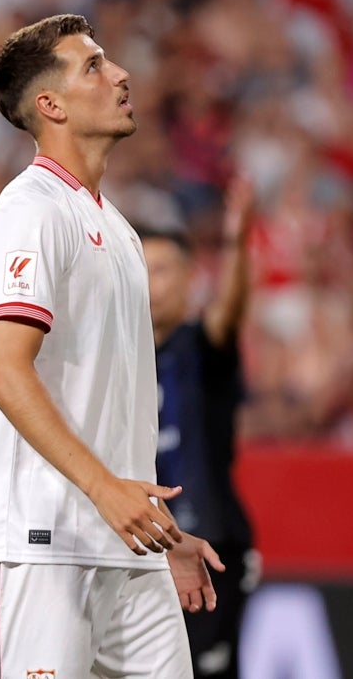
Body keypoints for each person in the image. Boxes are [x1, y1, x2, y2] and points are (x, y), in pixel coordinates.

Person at [0, 13, 224, 678]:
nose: (121, 74)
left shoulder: (118, 228)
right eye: (94, 66)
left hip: (125, 549)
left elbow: (110, 404)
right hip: (38, 543)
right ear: (50, 105)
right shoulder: (30, 212)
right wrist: (105, 490)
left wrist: (156, 530)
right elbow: (6, 374)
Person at [139, 178, 259, 679]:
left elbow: (227, 316)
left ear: (191, 279)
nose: (149, 282)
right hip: (140, 541)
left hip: (206, 539)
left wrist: (235, 245)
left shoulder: (199, 347)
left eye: (162, 270)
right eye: (139, 270)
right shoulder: (116, 359)